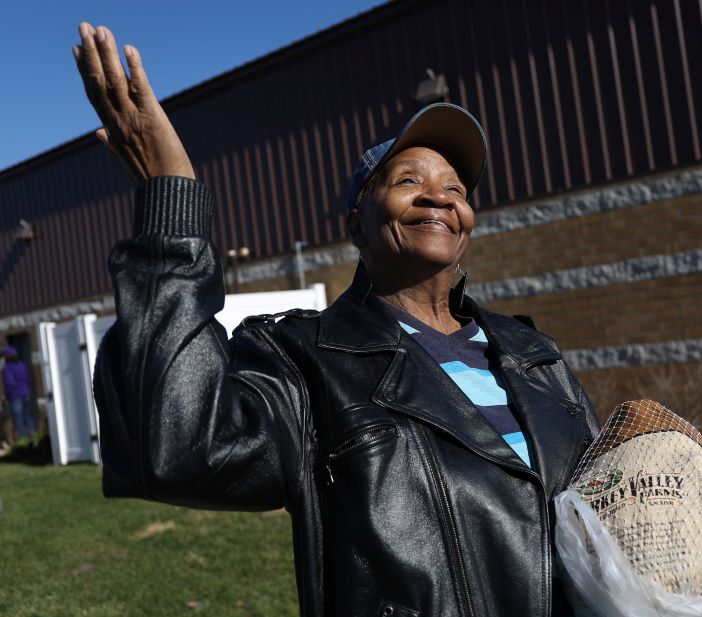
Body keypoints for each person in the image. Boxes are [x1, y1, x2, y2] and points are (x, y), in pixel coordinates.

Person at [74, 22, 601, 616]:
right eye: (408, 182)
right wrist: (170, 200)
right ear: (356, 224)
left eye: (455, 188)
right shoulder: (306, 360)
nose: (439, 198)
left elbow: (611, 507)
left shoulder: (534, 356)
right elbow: (176, 446)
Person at [2, 346, 36, 441]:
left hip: (15, 395)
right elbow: (28, 378)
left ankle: (23, 439)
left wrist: (6, 395)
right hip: (26, 392)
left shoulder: (8, 367)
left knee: (18, 418)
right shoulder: (22, 364)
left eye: (4, 355)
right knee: (27, 415)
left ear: (8, 355)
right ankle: (34, 436)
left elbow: (9, 383)